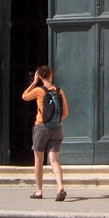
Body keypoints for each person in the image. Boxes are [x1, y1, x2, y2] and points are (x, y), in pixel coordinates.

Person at [21, 64, 69, 201]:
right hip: (57, 128)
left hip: (41, 127)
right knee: (54, 160)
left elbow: (24, 96)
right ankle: (60, 188)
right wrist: (54, 121)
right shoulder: (59, 91)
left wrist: (34, 82)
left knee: (38, 160)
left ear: (40, 76)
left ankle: (39, 191)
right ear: (51, 75)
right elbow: (65, 113)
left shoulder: (39, 91)